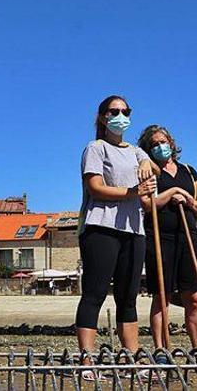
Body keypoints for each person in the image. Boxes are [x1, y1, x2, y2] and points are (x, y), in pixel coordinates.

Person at [75, 96, 156, 361]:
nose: (120, 115)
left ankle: (131, 355)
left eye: (125, 111)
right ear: (102, 117)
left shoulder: (135, 151)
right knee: (95, 293)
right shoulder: (96, 148)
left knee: (128, 297)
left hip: (134, 230)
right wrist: (132, 192)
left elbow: (154, 166)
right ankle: (87, 356)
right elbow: (96, 188)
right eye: (114, 111)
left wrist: (146, 163)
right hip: (102, 227)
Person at [138, 125, 197, 351]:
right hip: (159, 238)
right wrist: (171, 194)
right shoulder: (148, 171)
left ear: (171, 143)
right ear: (148, 149)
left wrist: (186, 199)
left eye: (163, 142)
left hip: (187, 236)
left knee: (195, 297)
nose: (161, 147)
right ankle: (161, 349)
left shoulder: (188, 170)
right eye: (154, 144)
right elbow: (147, 205)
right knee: (162, 296)